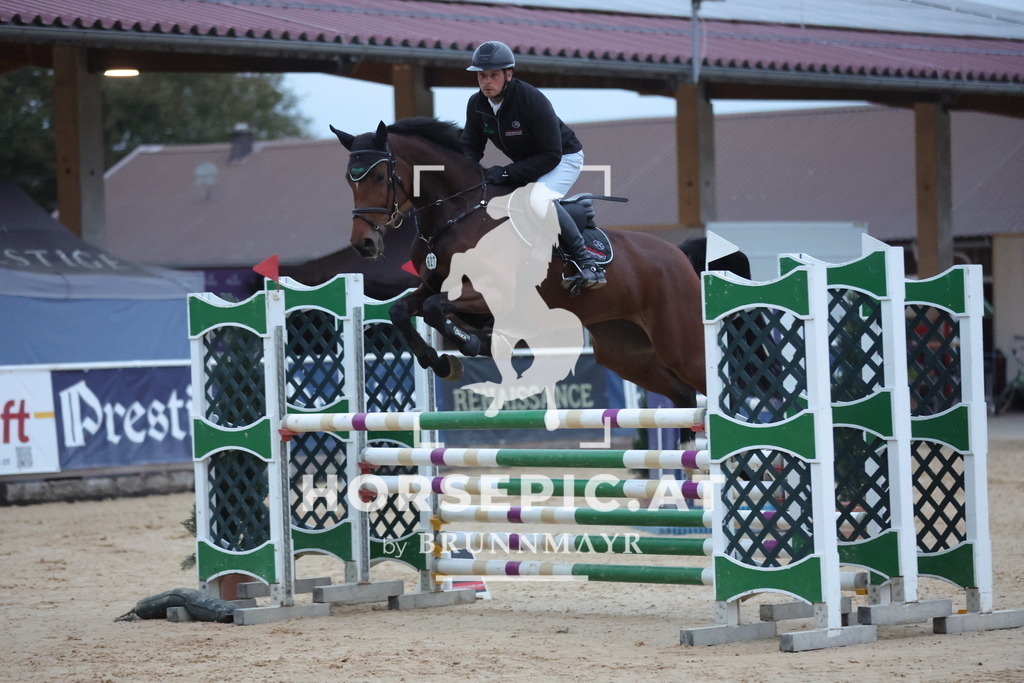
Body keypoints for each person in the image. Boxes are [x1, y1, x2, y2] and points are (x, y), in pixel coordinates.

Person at [461, 40, 606, 291]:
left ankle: (589, 264)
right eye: (481, 76)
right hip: (531, 162)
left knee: (538, 200)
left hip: (564, 157)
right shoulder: (476, 105)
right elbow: (471, 148)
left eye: (493, 75)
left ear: (509, 74)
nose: (486, 82)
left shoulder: (531, 100)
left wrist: (506, 172)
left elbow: (551, 156)